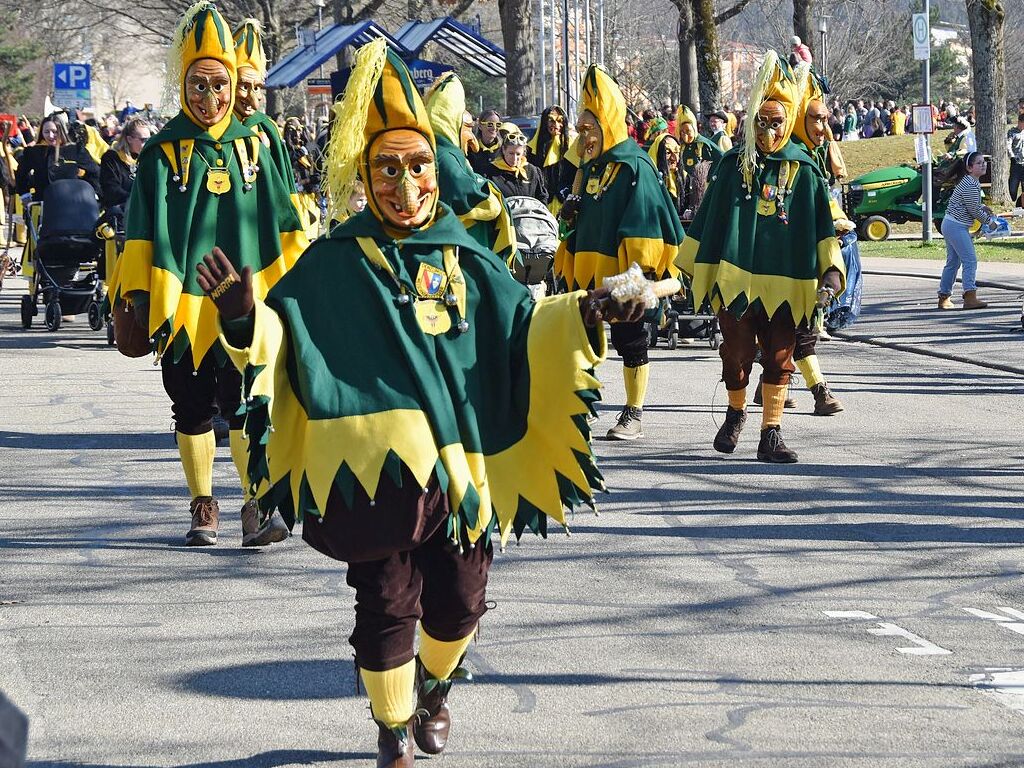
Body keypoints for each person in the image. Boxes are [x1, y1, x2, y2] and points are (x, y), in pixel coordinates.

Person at [198, 40, 641, 766]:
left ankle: (435, 688)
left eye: (418, 166)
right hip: (373, 473)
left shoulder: (466, 257)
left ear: (437, 168)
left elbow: (525, 329)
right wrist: (244, 317)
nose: (405, 184)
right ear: (365, 177)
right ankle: (392, 728)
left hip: (461, 469)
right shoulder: (333, 261)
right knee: (384, 602)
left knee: (461, 601)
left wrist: (589, 311)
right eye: (388, 169)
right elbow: (282, 339)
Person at [106, 1, 308, 547]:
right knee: (191, 405)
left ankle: (252, 505)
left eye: (219, 84)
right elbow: (141, 229)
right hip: (184, 304)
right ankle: (202, 506)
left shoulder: (255, 146)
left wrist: (296, 289)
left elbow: (281, 223)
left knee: (244, 404)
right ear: (183, 85)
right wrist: (137, 293)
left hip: (245, 308)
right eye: (200, 85)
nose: (212, 97)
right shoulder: (160, 152)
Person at [675, 52, 845, 463]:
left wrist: (830, 272)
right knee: (735, 354)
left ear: (789, 125)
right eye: (762, 123)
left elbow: (821, 226)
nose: (769, 132)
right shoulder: (733, 166)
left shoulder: (804, 172)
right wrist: (690, 267)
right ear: (751, 122)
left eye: (777, 123)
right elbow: (710, 221)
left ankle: (771, 432)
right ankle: (736, 413)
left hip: (787, 283)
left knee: (781, 355)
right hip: (735, 283)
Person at [554, 64, 684, 441]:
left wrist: (637, 275)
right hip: (589, 270)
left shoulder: (634, 166)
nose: (583, 137)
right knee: (582, 334)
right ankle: (586, 405)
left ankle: (634, 412)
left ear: (607, 124)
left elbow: (644, 222)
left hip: (627, 271)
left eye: (588, 129)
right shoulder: (591, 167)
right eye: (580, 130)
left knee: (630, 339)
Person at [423, 73, 517, 266]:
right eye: (467, 127)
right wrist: (489, 190)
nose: (471, 135)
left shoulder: (449, 153)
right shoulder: (445, 156)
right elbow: (466, 196)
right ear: (451, 123)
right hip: (459, 248)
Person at [937, 151, 995, 310]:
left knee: (953, 263)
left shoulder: (969, 181)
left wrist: (983, 207)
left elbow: (972, 205)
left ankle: (944, 297)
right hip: (956, 226)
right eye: (979, 163)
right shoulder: (970, 183)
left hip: (950, 224)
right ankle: (970, 297)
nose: (983, 165)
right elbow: (974, 210)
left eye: (984, 162)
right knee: (970, 260)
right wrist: (991, 223)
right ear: (969, 168)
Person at [15, 114, 100, 202]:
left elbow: (95, 171)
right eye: (46, 132)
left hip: (73, 203)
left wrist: (92, 192)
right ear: (41, 133)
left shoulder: (75, 150)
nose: (51, 136)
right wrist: (24, 194)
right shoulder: (35, 152)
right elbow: (21, 173)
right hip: (44, 203)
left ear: (61, 131)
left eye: (54, 131)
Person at [527, 105, 577, 217]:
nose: (556, 125)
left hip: (566, 204)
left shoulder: (572, 146)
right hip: (541, 204)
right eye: (551, 120)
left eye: (560, 121)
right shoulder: (532, 148)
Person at [99, 117, 151, 211]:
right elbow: (111, 190)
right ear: (129, 139)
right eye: (143, 140)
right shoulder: (111, 158)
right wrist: (137, 200)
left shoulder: (147, 157)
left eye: (149, 139)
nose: (147, 144)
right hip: (121, 211)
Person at [486, 127, 547, 202]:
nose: (514, 158)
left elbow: (542, 196)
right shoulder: (490, 172)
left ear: (524, 152)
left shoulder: (532, 171)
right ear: (503, 150)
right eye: (511, 153)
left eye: (518, 154)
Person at [468, 109, 501, 174]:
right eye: (490, 124)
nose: (494, 128)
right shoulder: (471, 149)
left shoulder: (503, 149)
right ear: (480, 126)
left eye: (498, 124)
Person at [1005, 113, 1024, 209]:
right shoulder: (1012, 132)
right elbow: (1008, 145)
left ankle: (1022, 207)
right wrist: (1012, 157)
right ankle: (1012, 202)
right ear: (1019, 122)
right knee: (1013, 188)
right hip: (1016, 164)